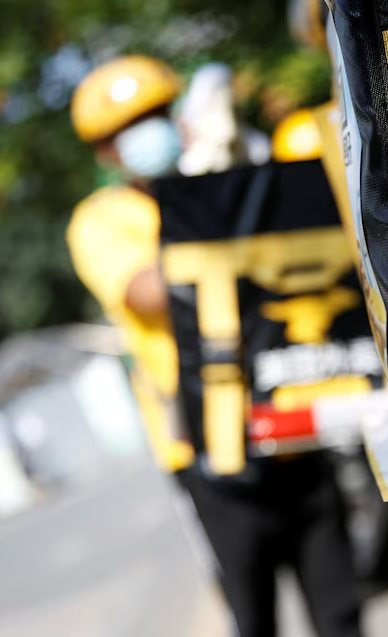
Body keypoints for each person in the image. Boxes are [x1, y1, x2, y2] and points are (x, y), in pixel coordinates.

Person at [66, 54, 363, 637]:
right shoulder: (100, 220)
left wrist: (235, 180)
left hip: (288, 420)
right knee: (252, 616)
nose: (148, 132)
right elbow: (150, 294)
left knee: (340, 607)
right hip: (208, 451)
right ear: (105, 152)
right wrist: (210, 207)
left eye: (155, 115)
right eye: (128, 128)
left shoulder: (225, 178)